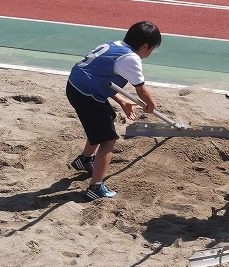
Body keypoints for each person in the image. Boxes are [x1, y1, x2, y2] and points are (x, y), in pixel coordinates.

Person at [66, 21, 161, 201]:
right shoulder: (131, 58)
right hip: (86, 95)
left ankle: (84, 160)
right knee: (108, 139)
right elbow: (141, 90)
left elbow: (103, 80)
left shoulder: (114, 45)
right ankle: (95, 187)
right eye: (152, 49)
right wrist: (151, 104)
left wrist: (122, 101)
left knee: (106, 119)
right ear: (144, 46)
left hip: (75, 86)